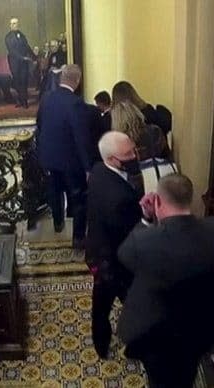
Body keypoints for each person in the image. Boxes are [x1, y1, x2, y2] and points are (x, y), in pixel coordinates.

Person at [117, 173, 214, 388]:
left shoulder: (143, 242)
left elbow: (125, 256)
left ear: (158, 201)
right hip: (201, 326)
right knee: (186, 372)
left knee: (160, 379)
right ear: (190, 198)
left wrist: (146, 219)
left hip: (158, 335)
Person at [86, 131, 144, 359]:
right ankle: (135, 346)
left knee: (100, 306)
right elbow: (134, 234)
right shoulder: (120, 199)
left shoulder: (99, 170)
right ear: (112, 159)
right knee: (136, 306)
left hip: (98, 255)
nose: (133, 156)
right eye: (128, 153)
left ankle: (101, 345)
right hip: (116, 264)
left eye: (132, 149)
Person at [36, 64, 91, 248]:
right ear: (78, 80)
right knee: (78, 197)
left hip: (49, 157)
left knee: (54, 191)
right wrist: (87, 167)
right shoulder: (76, 103)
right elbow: (81, 137)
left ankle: (58, 223)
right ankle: (78, 238)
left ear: (61, 78)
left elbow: (39, 125)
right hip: (70, 161)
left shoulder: (46, 98)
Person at [5, 17, 36, 108]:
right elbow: (12, 51)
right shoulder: (8, 37)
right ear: (10, 25)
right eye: (13, 23)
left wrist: (34, 56)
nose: (16, 25)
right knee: (17, 82)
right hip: (14, 63)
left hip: (23, 63)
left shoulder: (22, 35)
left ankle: (24, 101)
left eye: (17, 23)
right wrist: (23, 58)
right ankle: (20, 100)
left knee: (24, 81)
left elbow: (27, 46)